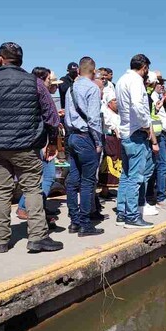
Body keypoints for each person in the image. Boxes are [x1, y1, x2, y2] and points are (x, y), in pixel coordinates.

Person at [0, 42, 63, 254]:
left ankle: (0, 241)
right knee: (33, 190)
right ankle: (37, 237)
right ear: (20, 61)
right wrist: (52, 141)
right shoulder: (34, 83)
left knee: (0, 192)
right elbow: (52, 117)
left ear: (0, 59)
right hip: (26, 146)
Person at [115, 54, 157, 229]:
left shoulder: (121, 80)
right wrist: (147, 126)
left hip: (126, 132)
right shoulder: (136, 81)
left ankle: (122, 212)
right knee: (136, 177)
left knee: (125, 175)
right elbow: (138, 106)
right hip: (136, 134)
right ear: (145, 67)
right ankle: (132, 217)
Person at [65, 57, 104, 237]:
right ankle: (85, 223)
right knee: (88, 182)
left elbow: (67, 117)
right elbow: (94, 119)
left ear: (79, 70)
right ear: (93, 71)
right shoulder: (92, 89)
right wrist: (97, 142)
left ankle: (74, 221)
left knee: (73, 180)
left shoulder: (70, 89)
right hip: (85, 137)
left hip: (72, 136)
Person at [16, 67, 62, 224]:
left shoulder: (28, 94)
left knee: (36, 178)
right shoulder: (40, 94)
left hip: (35, 142)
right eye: (50, 80)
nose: (52, 84)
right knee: (46, 177)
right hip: (41, 143)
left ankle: (37, 206)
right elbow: (48, 120)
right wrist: (49, 142)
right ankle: (25, 207)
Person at [146, 72, 166, 211]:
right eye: (159, 82)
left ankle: (155, 197)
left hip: (160, 134)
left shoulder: (158, 98)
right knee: (160, 166)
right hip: (155, 135)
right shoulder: (150, 95)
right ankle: (158, 197)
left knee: (160, 166)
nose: (162, 85)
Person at [98, 90, 121, 198]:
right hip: (110, 140)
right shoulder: (105, 112)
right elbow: (107, 124)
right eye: (114, 100)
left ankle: (111, 187)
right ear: (109, 103)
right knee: (107, 163)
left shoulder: (118, 113)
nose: (116, 102)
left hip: (118, 141)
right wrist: (114, 129)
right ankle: (104, 189)